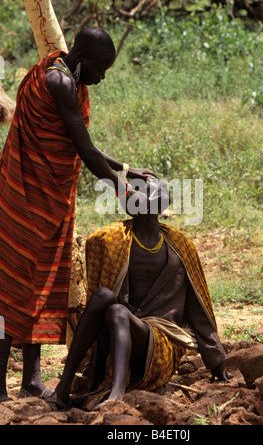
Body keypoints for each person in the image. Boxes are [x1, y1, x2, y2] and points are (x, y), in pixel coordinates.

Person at [0, 27, 153, 403]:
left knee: (42, 284)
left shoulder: (70, 77)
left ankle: (32, 380)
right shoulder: (57, 82)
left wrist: (126, 167)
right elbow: (83, 148)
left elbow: (78, 138)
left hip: (51, 198)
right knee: (12, 286)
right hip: (25, 196)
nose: (102, 77)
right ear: (83, 60)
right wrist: (122, 187)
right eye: (100, 69)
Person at [47, 177, 231, 411]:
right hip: (119, 331)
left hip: (160, 340)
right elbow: (100, 282)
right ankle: (63, 387)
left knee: (117, 312)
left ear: (156, 202)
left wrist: (216, 359)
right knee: (105, 297)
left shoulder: (179, 247)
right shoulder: (116, 239)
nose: (130, 193)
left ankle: (118, 390)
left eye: (139, 191)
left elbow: (197, 306)